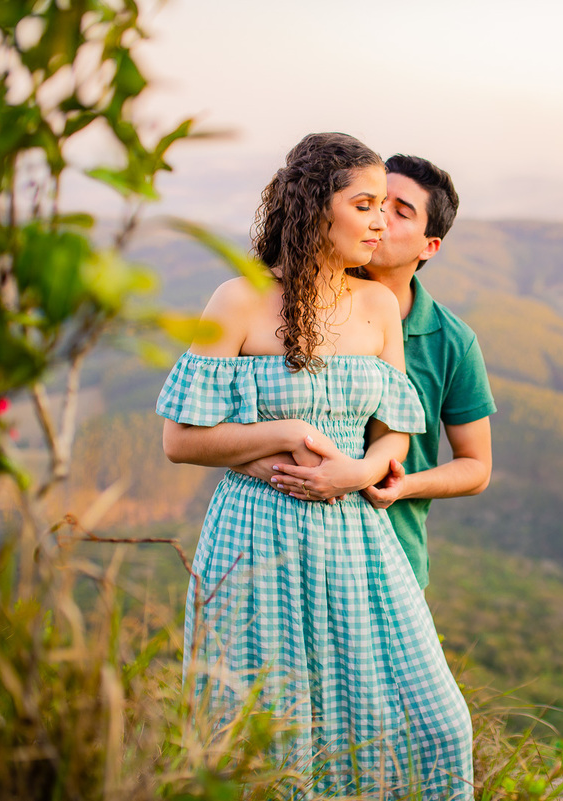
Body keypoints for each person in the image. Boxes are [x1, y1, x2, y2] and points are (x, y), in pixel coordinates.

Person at [156, 133, 473, 800]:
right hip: (256, 539)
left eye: (388, 207)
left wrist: (355, 474)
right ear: (313, 209)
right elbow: (181, 439)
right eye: (366, 204)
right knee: (277, 736)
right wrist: (288, 431)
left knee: (436, 723)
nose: (382, 220)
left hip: (359, 539)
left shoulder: (379, 306)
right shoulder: (237, 300)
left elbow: (395, 436)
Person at [243, 155, 496, 589]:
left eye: (400, 212)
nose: (380, 219)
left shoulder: (451, 341)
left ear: (429, 246)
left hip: (393, 554)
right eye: (374, 203)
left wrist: (396, 483)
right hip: (283, 547)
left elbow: (476, 466)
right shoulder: (289, 307)